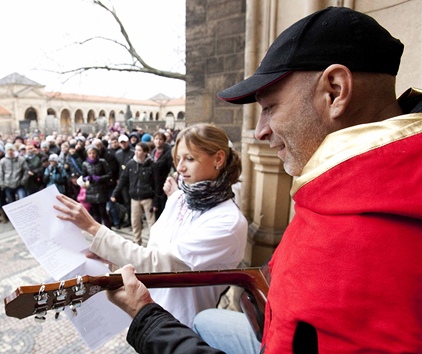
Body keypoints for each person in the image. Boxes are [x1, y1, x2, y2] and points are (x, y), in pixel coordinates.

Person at [105, 7, 422, 353]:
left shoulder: (375, 243)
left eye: (270, 107)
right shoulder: (352, 186)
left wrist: (147, 320)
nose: (259, 132)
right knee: (205, 322)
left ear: (334, 91)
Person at [54, 123, 247, 327]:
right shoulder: (180, 198)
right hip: (149, 309)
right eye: (178, 159)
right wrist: (114, 258)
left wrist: (93, 227)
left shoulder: (227, 223)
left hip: (183, 324)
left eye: (189, 159)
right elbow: (151, 252)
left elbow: (159, 263)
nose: (180, 168)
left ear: (218, 158)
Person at [110, 142, 157, 245]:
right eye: (135, 150)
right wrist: (115, 194)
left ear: (145, 152)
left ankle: (153, 243)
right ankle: (137, 241)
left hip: (147, 198)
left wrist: (155, 202)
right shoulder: (131, 164)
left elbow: (156, 184)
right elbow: (123, 179)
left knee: (151, 222)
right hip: (134, 198)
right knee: (135, 221)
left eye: (139, 150)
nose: (136, 152)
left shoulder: (152, 165)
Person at [81, 145, 112, 229]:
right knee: (95, 212)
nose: (92, 155)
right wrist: (86, 178)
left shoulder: (102, 162)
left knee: (103, 211)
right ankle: (98, 229)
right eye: (90, 153)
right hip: (91, 190)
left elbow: (109, 174)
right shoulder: (85, 164)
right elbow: (83, 176)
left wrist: (100, 178)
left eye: (94, 153)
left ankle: (108, 228)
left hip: (101, 189)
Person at [150, 132, 174, 218]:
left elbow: (171, 169)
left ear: (164, 141)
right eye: (156, 139)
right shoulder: (153, 152)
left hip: (163, 182)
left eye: (160, 139)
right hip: (154, 183)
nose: (158, 141)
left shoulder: (168, 152)